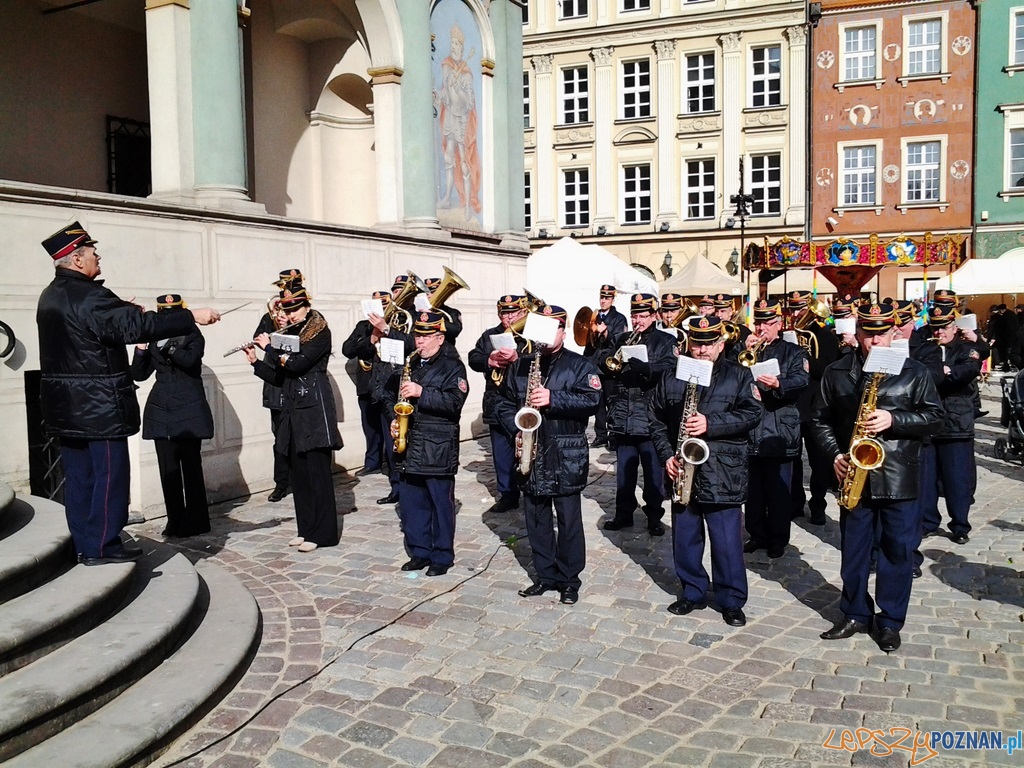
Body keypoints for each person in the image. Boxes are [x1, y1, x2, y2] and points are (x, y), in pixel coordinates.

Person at [36, 221, 220, 565]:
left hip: (65, 407)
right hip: (98, 407)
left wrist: (121, 311)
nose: (98, 256)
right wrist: (190, 315)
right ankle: (103, 545)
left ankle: (84, 541)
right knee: (110, 476)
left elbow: (99, 330)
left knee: (79, 479)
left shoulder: (51, 295)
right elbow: (138, 328)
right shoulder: (91, 296)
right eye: (92, 252)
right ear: (77, 261)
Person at [811, 303, 942, 652]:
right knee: (853, 552)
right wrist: (836, 455)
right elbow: (819, 420)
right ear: (858, 334)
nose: (874, 342)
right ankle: (854, 612)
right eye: (868, 334)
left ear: (894, 333)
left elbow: (934, 418)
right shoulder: (837, 372)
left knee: (897, 552)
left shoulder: (914, 372)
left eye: (881, 334)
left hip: (899, 476)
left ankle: (889, 621)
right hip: (855, 474)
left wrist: (894, 420)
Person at [650, 316, 763, 626]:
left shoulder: (739, 376)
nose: (701, 350)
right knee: (685, 538)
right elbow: (655, 418)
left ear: (720, 344)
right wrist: (665, 457)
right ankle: (692, 591)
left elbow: (754, 413)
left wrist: (711, 425)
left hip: (723, 469)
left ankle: (731, 599)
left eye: (708, 344)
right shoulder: (672, 375)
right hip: (681, 469)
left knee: (727, 541)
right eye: (696, 343)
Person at [495, 305, 601, 605]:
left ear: (562, 332)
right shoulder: (521, 365)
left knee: (568, 521)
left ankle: (569, 579)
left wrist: (554, 398)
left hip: (565, 452)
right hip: (529, 448)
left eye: (551, 328)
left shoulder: (579, 366)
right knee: (536, 518)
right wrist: (514, 427)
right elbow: (500, 403)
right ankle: (545, 575)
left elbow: (592, 400)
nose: (544, 336)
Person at [245, 286, 341, 552]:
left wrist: (271, 347)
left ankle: (324, 533)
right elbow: (278, 376)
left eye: (296, 310)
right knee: (299, 473)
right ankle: (306, 528)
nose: (292, 315)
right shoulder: (289, 334)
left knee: (317, 473)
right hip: (293, 408)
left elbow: (298, 364)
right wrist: (256, 361)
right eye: (287, 310)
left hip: (314, 408)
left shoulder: (319, 331)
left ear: (307, 307)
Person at [386, 310, 469, 575]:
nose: (419, 342)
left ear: (440, 338)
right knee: (412, 505)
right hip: (410, 444)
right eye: (417, 337)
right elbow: (390, 396)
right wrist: (394, 419)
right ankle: (419, 551)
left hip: (437, 446)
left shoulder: (453, 366)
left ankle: (442, 556)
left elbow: (454, 403)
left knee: (440, 505)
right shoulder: (410, 364)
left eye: (425, 337)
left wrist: (422, 392)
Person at [130, 293, 214, 538]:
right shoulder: (153, 335)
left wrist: (168, 345)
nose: (168, 318)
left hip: (188, 407)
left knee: (191, 468)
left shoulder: (193, 334)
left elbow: (189, 362)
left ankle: (198, 520)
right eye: (164, 314)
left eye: (173, 314)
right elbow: (138, 374)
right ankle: (175, 520)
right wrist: (141, 348)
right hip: (161, 409)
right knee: (168, 470)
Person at [600, 293, 677, 535]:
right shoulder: (623, 338)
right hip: (624, 414)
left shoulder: (665, 340)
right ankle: (624, 513)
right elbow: (606, 363)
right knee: (624, 472)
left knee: (654, 472)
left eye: (643, 316)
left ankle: (654, 515)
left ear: (654, 316)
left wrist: (648, 370)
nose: (638, 320)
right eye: (635, 315)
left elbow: (671, 369)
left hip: (650, 415)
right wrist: (609, 366)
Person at [741, 299, 809, 558]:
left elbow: (801, 380)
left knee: (779, 489)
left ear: (779, 324)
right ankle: (757, 534)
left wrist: (778, 383)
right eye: (758, 323)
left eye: (767, 323)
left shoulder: (793, 351)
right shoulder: (748, 350)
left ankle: (778, 539)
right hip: (753, 427)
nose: (761, 328)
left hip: (780, 428)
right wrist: (742, 352)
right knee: (754, 490)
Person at [919, 306, 981, 545]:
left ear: (954, 327)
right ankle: (928, 521)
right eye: (935, 328)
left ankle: (960, 524)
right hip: (928, 422)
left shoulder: (966, 349)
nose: (939, 332)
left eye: (943, 327)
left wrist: (947, 372)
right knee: (926, 477)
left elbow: (968, 370)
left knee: (957, 478)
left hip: (955, 421)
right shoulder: (925, 348)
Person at [468, 295, 530, 514]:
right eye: (505, 313)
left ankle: (530, 488)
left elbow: (540, 361)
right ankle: (508, 494)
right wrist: (489, 360)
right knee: (501, 452)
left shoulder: (529, 335)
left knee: (527, 449)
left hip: (523, 402)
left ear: (523, 313)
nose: (509, 317)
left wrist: (517, 360)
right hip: (496, 401)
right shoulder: (490, 335)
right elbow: (473, 357)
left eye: (514, 312)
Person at [787, 291, 840, 525]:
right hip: (794, 404)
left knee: (819, 461)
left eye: (801, 309)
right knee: (793, 458)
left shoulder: (824, 336)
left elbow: (825, 370)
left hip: (816, 405)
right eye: (793, 309)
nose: (797, 314)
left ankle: (818, 504)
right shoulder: (789, 336)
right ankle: (795, 503)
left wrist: (804, 358)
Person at [365, 275, 418, 505]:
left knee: (408, 440)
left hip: (406, 384)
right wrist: (375, 335)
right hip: (385, 387)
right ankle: (396, 487)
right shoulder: (385, 319)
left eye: (402, 291)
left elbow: (415, 344)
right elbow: (354, 348)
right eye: (396, 291)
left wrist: (387, 329)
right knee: (391, 440)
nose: (398, 295)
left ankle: (411, 486)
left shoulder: (416, 318)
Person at [254, 268, 305, 502]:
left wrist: (290, 325)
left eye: (290, 286)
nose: (285, 291)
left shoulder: (304, 317)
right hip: (276, 383)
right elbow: (258, 338)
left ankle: (300, 479)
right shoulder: (271, 316)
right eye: (283, 287)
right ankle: (281, 483)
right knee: (279, 439)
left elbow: (304, 348)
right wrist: (276, 325)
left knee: (300, 436)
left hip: (295, 382)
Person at [341, 290, 391, 477]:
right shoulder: (362, 326)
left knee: (389, 426)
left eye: (382, 305)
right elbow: (347, 349)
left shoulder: (393, 324)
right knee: (370, 426)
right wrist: (370, 339)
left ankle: (392, 463)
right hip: (367, 384)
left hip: (388, 384)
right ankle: (372, 462)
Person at [436, 23, 481, 219]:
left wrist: (458, 88)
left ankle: (467, 207)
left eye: (457, 44)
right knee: (448, 159)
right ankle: (446, 197)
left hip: (461, 119)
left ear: (462, 48)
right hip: (449, 118)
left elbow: (469, 102)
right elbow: (444, 96)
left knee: (463, 161)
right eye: (452, 43)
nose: (453, 47)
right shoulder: (447, 65)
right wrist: (441, 94)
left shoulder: (466, 73)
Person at [584, 285, 627, 448]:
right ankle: (601, 435)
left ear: (613, 299)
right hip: (594, 365)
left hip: (609, 367)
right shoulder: (592, 316)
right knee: (598, 402)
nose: (603, 301)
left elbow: (620, 339)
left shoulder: (619, 318)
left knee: (612, 401)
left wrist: (606, 332)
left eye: (607, 298)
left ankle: (614, 435)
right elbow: (585, 340)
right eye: (602, 297)